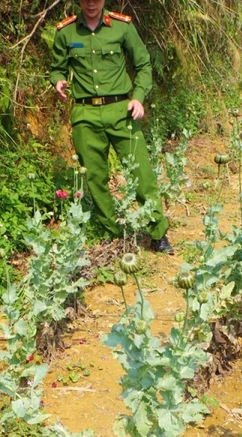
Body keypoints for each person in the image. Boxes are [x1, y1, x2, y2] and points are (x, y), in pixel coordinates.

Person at [49, 0, 173, 254]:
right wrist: (58, 80)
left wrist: (138, 96)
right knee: (94, 177)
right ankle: (113, 234)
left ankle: (158, 233)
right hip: (85, 114)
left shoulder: (122, 27)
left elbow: (143, 64)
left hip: (121, 111)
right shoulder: (66, 32)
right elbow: (57, 68)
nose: (91, 3)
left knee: (140, 172)